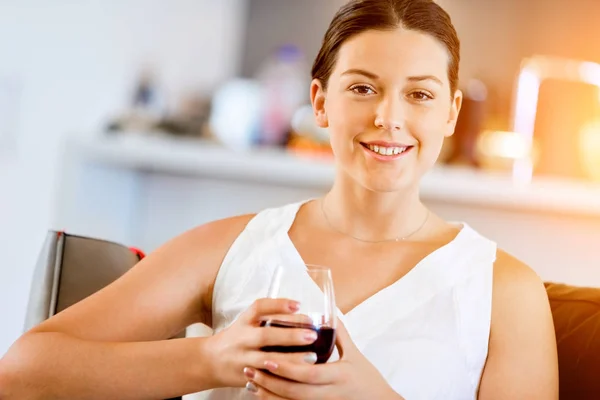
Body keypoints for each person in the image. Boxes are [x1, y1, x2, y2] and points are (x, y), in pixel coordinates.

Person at [0, 0, 558, 399]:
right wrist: (211, 358)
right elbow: (22, 374)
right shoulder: (233, 247)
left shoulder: (505, 290)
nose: (389, 117)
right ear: (320, 102)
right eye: (362, 88)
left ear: (452, 113)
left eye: (420, 94)